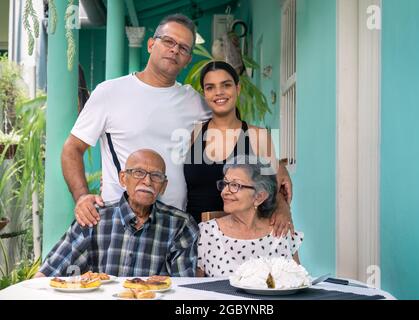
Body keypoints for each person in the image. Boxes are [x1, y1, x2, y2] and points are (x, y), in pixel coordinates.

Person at [62, 14, 211, 228]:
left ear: (187, 60)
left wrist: (277, 192)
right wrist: (82, 197)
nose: (175, 50)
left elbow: (232, 135)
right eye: (168, 41)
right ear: (151, 44)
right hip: (119, 221)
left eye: (184, 48)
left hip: (174, 225)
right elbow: (72, 149)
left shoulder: (194, 102)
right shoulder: (110, 92)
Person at [35, 149, 198, 278]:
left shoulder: (180, 225)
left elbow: (182, 288)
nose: (147, 181)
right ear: (123, 179)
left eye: (156, 176)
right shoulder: (93, 217)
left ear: (163, 186)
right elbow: (49, 273)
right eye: (138, 173)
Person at [183, 61, 293, 236]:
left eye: (226, 85)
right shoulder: (194, 134)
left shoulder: (258, 136)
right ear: (205, 94)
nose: (219, 92)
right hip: (194, 236)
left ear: (237, 89)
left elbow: (273, 187)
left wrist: (283, 208)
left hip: (243, 239)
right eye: (210, 87)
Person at [196, 156, 303, 277]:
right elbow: (195, 289)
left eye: (235, 185)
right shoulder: (206, 233)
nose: (224, 192)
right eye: (225, 184)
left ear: (259, 197)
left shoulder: (281, 230)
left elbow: (299, 282)